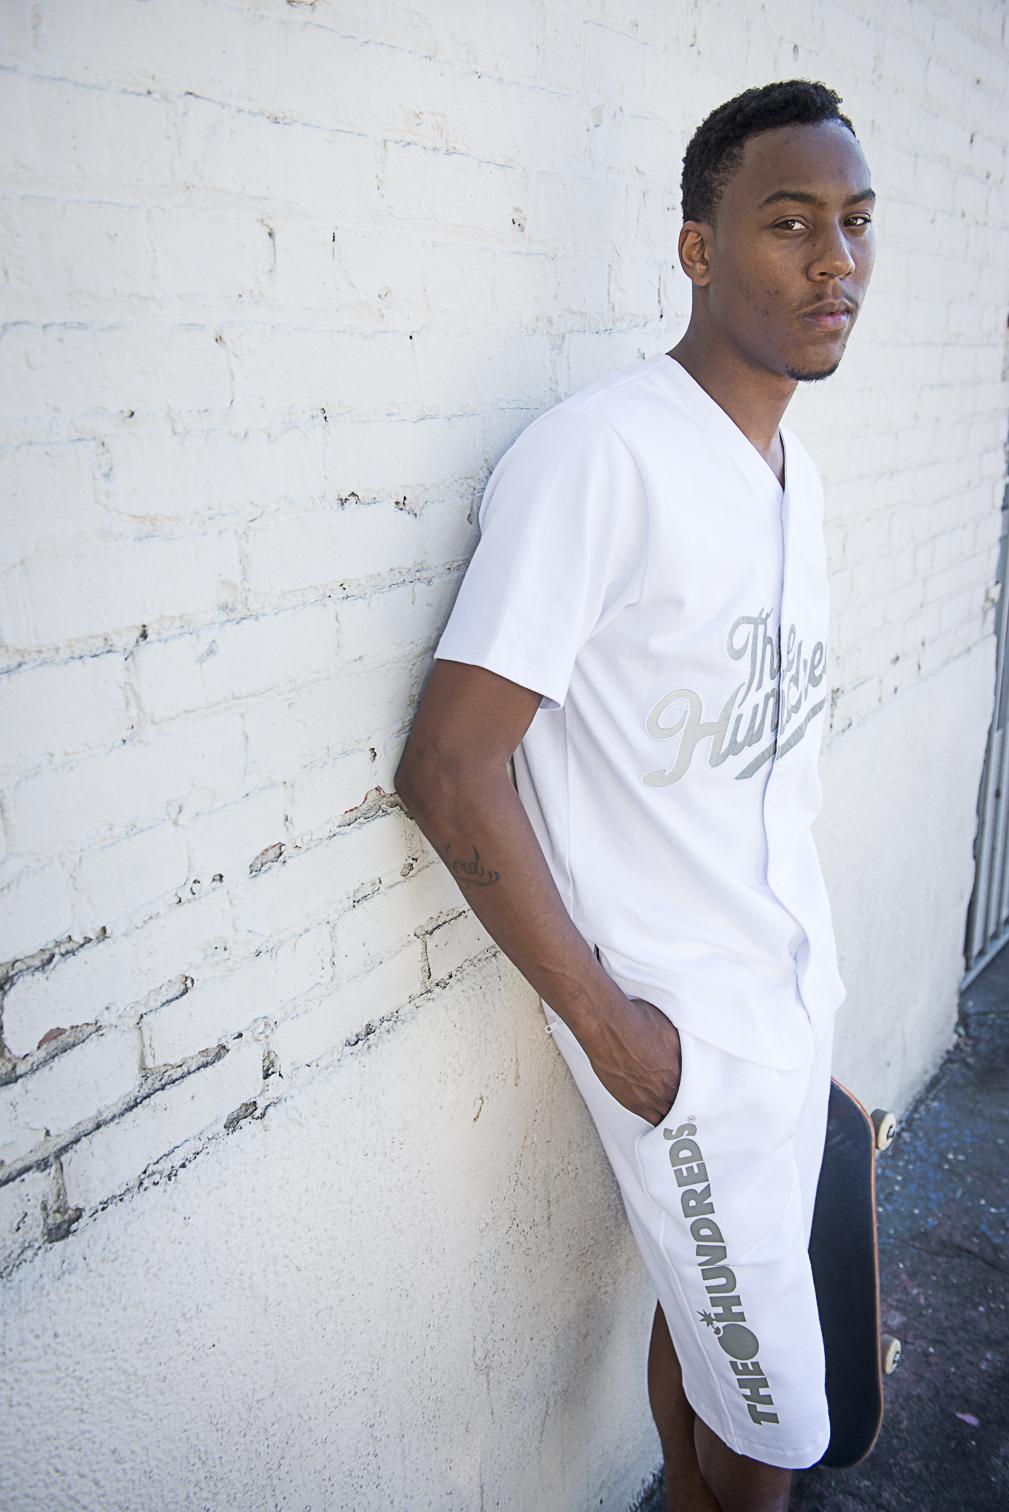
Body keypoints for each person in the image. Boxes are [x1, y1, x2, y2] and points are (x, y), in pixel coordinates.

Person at [394, 78, 876, 1512]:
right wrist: (618, 1037)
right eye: (788, 223)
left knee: (715, 1343)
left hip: (785, 1008)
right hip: (685, 1042)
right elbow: (449, 768)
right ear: (697, 250)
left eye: (855, 223)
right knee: (778, 1439)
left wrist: (804, 1014)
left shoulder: (791, 477)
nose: (833, 261)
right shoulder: (602, 455)